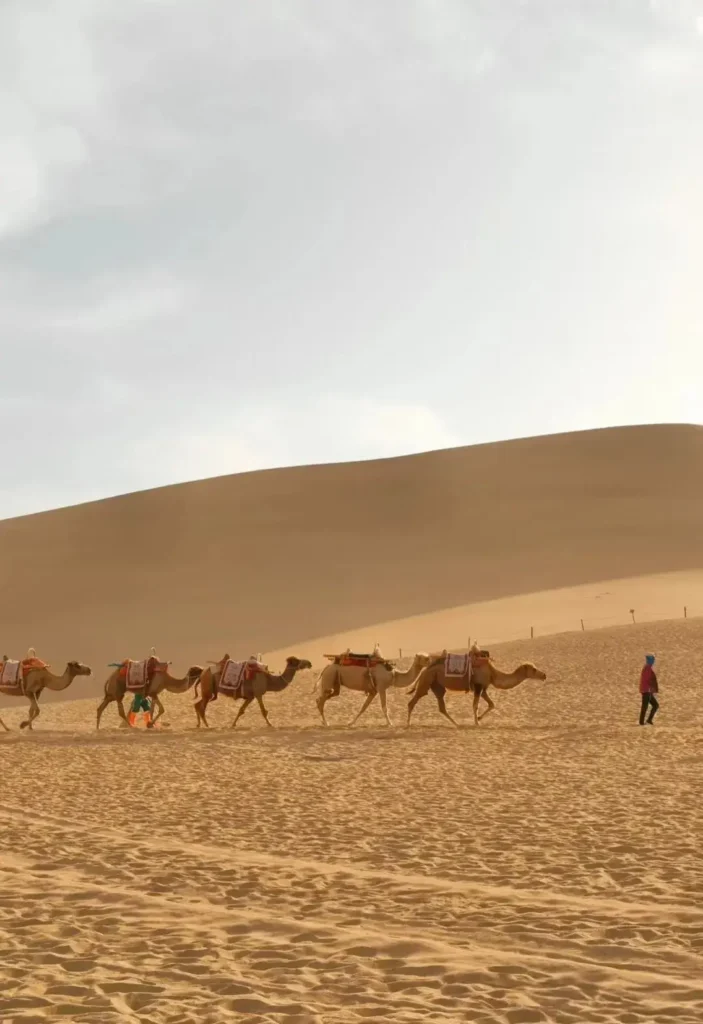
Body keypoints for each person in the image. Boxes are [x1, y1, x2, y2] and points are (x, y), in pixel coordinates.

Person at [639, 654, 659, 726]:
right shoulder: (647, 668)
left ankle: (648, 720)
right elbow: (647, 680)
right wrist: (651, 688)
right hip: (647, 691)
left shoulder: (647, 668)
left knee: (654, 705)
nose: (653, 662)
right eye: (652, 660)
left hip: (647, 691)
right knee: (648, 706)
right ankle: (643, 722)